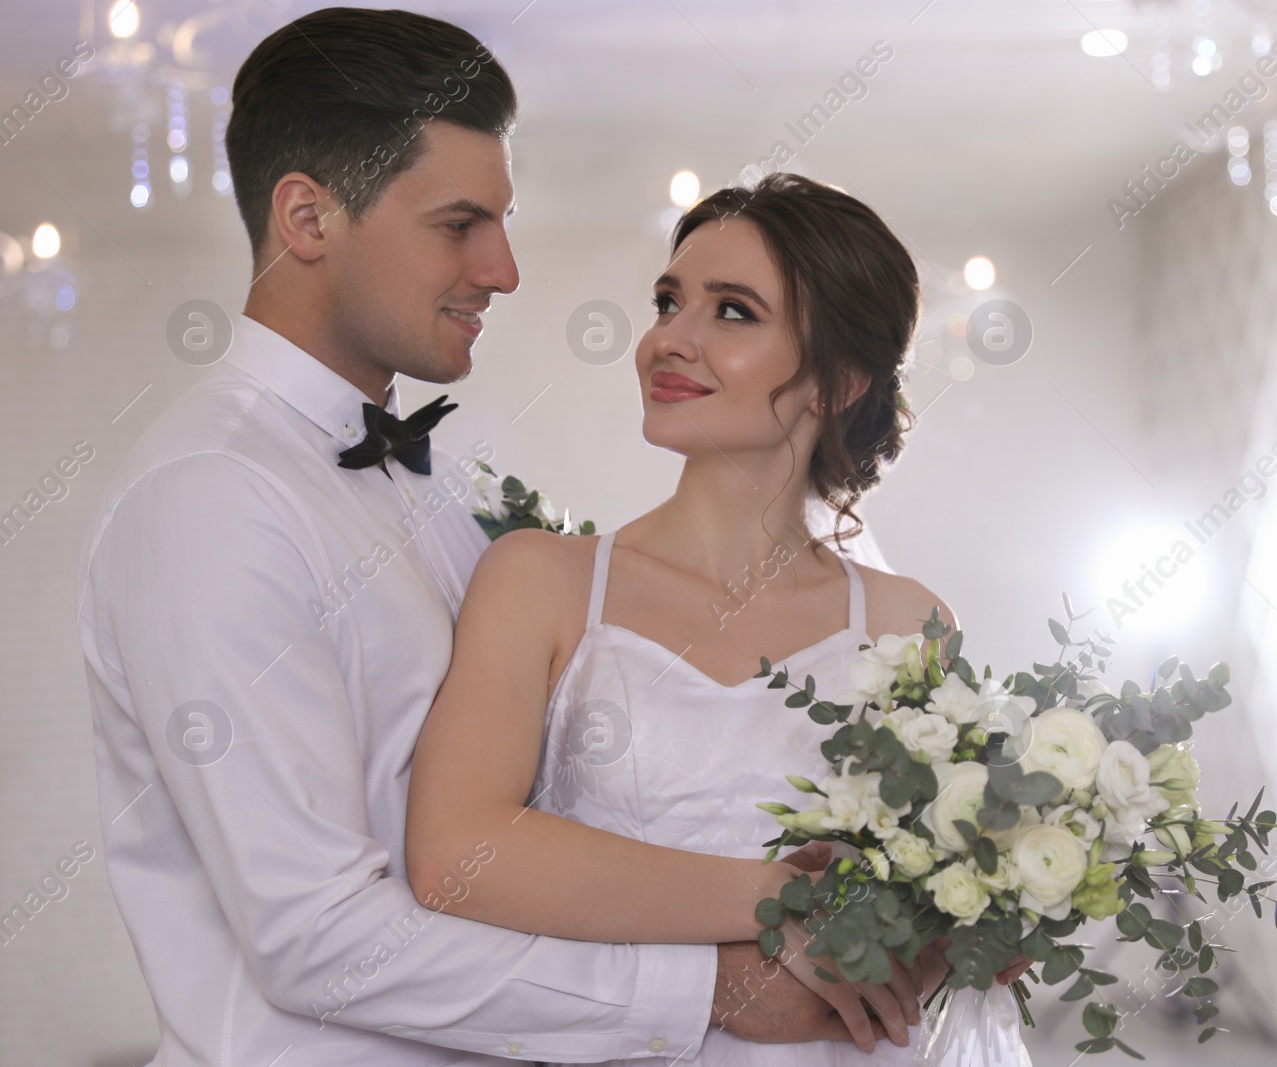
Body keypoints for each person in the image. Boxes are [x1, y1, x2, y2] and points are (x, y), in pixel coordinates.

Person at [75, 10, 900, 1065]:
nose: (503, 269)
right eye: (459, 223)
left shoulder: (456, 487)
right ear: (308, 219)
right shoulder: (207, 500)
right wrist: (712, 985)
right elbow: (313, 935)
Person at [406, 173, 1029, 1065]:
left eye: (733, 312)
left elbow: (955, 902)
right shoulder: (541, 579)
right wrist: (783, 902)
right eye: (669, 301)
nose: (671, 338)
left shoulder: (908, 621)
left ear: (837, 379)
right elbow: (457, 853)